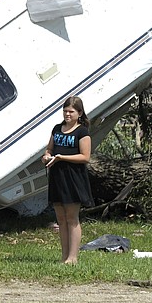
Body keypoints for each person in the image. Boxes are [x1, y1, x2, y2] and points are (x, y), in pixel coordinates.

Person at [41, 96, 94, 265]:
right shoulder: (57, 129)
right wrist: (47, 156)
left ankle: (73, 257)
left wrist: (63, 157)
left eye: (71, 111)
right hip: (57, 177)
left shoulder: (82, 132)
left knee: (72, 218)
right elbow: (49, 149)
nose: (67, 114)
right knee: (61, 219)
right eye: (65, 111)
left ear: (79, 113)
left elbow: (85, 157)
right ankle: (64, 256)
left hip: (73, 178)